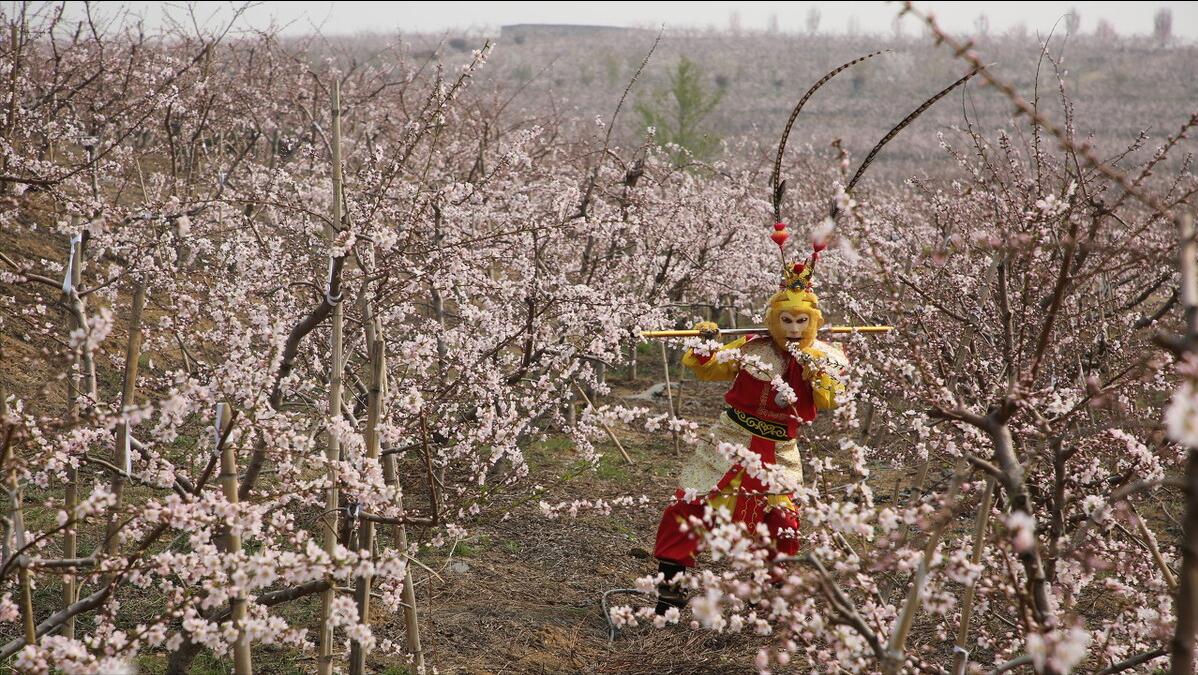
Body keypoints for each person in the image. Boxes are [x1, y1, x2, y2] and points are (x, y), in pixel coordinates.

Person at [652, 256, 847, 615]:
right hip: (731, 439)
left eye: (801, 321)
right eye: (786, 320)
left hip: (780, 449)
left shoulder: (826, 357)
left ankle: (767, 599)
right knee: (689, 505)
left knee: (782, 520)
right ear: (773, 319)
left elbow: (830, 399)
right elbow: (710, 368)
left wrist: (818, 372)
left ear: (813, 322)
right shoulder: (750, 347)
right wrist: (706, 343)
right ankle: (669, 591)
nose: (793, 328)